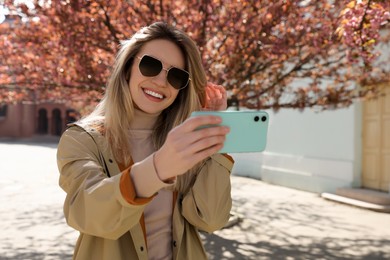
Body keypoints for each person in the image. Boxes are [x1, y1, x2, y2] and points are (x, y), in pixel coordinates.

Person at [57, 21, 234, 260]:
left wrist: (213, 136)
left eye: (176, 76)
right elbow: (88, 213)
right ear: (128, 67)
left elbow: (210, 219)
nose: (161, 82)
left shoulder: (183, 143)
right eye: (151, 65)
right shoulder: (82, 139)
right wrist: (158, 168)